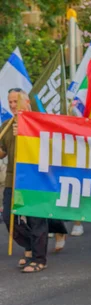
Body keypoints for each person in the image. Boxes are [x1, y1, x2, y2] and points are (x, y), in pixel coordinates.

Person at [0, 89, 50, 273]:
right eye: (10, 101)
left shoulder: (38, 124)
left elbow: (44, 149)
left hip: (34, 178)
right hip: (12, 179)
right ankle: (30, 246)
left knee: (36, 218)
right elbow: (3, 152)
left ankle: (39, 259)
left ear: (27, 101)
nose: (13, 105)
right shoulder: (6, 124)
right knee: (9, 218)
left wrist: (24, 132)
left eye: (16, 101)